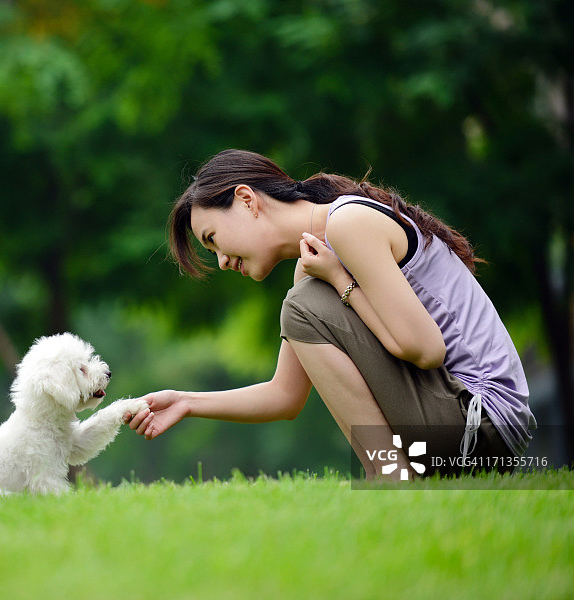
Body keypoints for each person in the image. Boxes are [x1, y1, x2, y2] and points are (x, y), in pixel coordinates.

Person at [124, 149, 536, 479]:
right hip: (458, 423)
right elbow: (285, 397)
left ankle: (391, 476)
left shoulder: (347, 225)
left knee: (301, 307)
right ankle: (391, 474)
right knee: (303, 304)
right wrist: (187, 402)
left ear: (247, 199)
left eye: (213, 239)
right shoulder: (315, 264)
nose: (222, 261)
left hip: (482, 428)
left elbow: (426, 349)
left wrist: (342, 282)